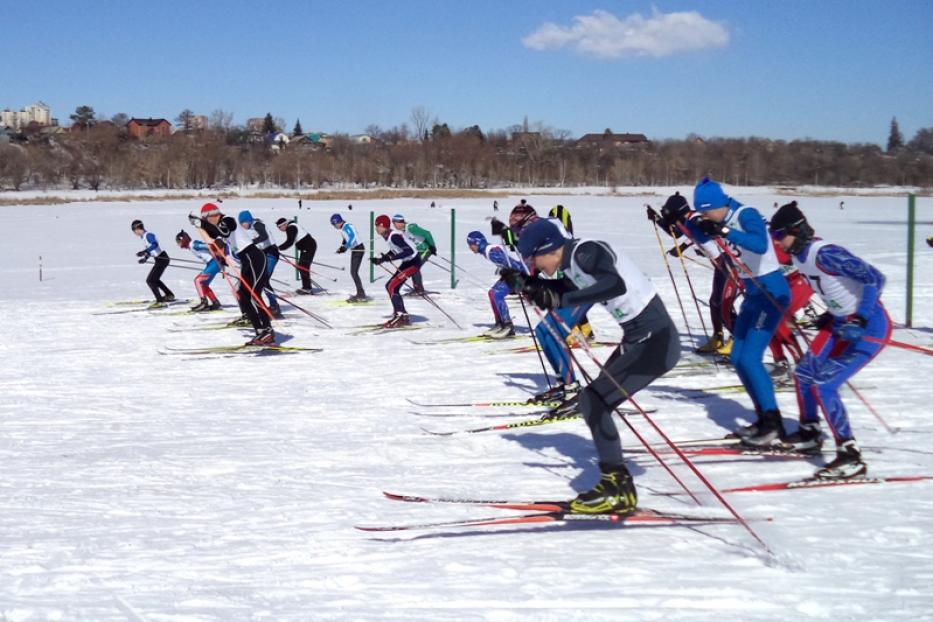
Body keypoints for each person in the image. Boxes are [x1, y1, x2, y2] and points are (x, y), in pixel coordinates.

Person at [512, 218, 680, 514]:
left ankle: (616, 487)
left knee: (594, 400)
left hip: (656, 340)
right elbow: (560, 289)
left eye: (532, 259)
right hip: (639, 337)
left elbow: (613, 283)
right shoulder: (572, 265)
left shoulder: (585, 252)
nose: (534, 265)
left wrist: (561, 296)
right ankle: (617, 486)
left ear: (548, 249)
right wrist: (527, 284)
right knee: (594, 402)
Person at [769, 202, 890, 479]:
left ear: (796, 231)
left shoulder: (827, 254)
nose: (778, 242)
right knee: (803, 374)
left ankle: (850, 456)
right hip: (839, 324)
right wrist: (828, 315)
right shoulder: (798, 255)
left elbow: (874, 279)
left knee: (824, 384)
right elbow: (834, 290)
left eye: (779, 236)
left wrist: (860, 318)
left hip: (870, 326)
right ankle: (810, 432)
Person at [686, 178, 790, 446]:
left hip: (771, 292)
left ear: (719, 205)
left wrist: (724, 231)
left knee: (752, 358)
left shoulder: (746, 214)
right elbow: (703, 239)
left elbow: (760, 244)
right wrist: (696, 226)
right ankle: (763, 419)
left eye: (707, 211)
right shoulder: (714, 217)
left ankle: (773, 422)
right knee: (738, 356)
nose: (705, 215)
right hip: (753, 294)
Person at [647, 192, 738, 355]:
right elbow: (679, 233)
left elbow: (704, 227)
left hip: (729, 265)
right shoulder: (686, 221)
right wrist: (658, 220)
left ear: (678, 213)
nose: (672, 221)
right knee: (714, 302)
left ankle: (738, 340)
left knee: (723, 303)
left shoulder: (695, 218)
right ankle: (717, 337)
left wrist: (707, 228)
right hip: (720, 266)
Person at [192, 203, 274, 345]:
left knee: (254, 294)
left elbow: (223, 231)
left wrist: (202, 224)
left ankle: (268, 330)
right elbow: (212, 238)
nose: (208, 221)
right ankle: (260, 331)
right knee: (243, 296)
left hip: (254, 257)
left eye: (207, 218)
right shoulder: (217, 225)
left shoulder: (228, 220)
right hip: (246, 260)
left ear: (214, 214)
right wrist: (198, 225)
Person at [466, 230, 526, 338]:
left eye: (471, 245)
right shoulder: (487, 251)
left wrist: (506, 272)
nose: (470, 248)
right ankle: (500, 323)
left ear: (477, 243)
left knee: (496, 294)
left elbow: (514, 265)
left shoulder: (491, 252)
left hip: (519, 275)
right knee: (491, 293)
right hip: (512, 274)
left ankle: (508, 326)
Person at [372, 214, 420, 328]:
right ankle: (401, 314)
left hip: (413, 262)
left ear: (383, 226)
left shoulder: (393, 236)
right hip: (408, 262)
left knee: (392, 286)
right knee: (390, 285)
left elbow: (408, 251)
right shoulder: (388, 236)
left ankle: (400, 315)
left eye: (377, 225)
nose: (376, 228)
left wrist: (391, 258)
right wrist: (381, 259)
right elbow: (395, 250)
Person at [239, 211, 282, 318]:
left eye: (244, 222)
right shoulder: (252, 227)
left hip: (271, 254)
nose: (243, 225)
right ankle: (269, 305)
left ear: (249, 220)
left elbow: (264, 236)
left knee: (264, 280)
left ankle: (274, 305)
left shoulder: (258, 224)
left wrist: (252, 242)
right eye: (241, 224)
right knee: (262, 281)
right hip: (263, 254)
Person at [175, 230, 222, 312]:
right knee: (203, 284)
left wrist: (214, 247)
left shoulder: (193, 244)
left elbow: (207, 246)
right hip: (212, 264)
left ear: (183, 240)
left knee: (198, 281)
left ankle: (204, 303)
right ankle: (215, 302)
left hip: (214, 263)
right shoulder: (191, 245)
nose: (178, 245)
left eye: (179, 242)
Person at [132, 220, 175, 308]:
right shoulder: (143, 237)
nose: (134, 233)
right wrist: (145, 258)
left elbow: (155, 245)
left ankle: (160, 301)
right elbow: (151, 250)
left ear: (137, 229)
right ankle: (169, 295)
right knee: (155, 279)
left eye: (134, 231)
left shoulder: (149, 235)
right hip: (160, 259)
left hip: (162, 258)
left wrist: (144, 251)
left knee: (150, 280)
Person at [391, 214, 436, 295]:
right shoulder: (402, 231)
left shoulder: (411, 228)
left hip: (424, 250)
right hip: (417, 251)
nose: (394, 226)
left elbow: (427, 233)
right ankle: (417, 288)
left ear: (399, 222)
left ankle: (420, 289)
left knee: (414, 268)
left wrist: (432, 246)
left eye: (394, 223)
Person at [330, 213, 367, 302]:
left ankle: (361, 295)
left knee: (354, 272)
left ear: (338, 222)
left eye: (334, 224)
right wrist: (342, 248)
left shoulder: (347, 226)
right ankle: (360, 293)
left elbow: (353, 237)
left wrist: (345, 247)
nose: (334, 227)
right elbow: (345, 239)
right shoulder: (342, 229)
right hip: (355, 249)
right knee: (353, 272)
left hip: (359, 248)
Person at [277, 217, 318, 294]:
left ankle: (307, 288)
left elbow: (290, 242)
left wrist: (278, 248)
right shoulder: (291, 226)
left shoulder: (291, 228)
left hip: (309, 247)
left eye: (279, 227)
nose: (279, 229)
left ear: (284, 224)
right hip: (307, 247)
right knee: (302, 266)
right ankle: (306, 287)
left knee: (303, 266)